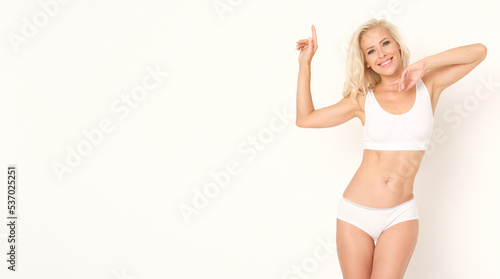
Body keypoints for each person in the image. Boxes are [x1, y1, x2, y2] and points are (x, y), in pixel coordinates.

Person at [295, 19, 487, 279]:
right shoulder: (362, 100)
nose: (382, 53)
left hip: (401, 214)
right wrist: (305, 64)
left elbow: (479, 52)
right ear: (366, 62)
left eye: (385, 43)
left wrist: (425, 64)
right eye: (371, 50)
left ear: (397, 45)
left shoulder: (428, 86)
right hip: (356, 214)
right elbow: (305, 119)